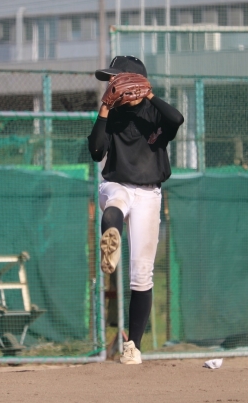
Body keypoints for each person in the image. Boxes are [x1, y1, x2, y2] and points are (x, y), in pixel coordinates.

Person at [88, 55, 184, 365]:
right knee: (116, 201)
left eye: (118, 78)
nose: (112, 83)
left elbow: (176, 120)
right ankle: (111, 240)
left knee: (142, 275)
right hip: (116, 184)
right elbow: (96, 151)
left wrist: (149, 94)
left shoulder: (154, 114)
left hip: (149, 195)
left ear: (136, 81)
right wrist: (104, 108)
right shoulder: (112, 114)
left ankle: (133, 346)